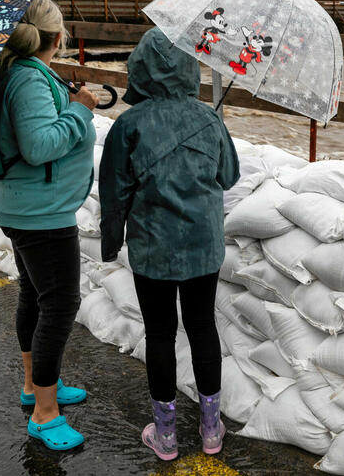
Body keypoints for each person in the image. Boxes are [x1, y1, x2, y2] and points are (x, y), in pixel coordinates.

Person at [99, 29, 239, 462]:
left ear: (139, 70)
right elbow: (228, 176)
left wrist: (111, 242)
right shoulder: (209, 118)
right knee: (202, 329)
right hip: (203, 246)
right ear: (186, 70)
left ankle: (166, 436)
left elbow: (114, 193)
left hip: (153, 248)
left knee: (159, 334)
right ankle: (211, 429)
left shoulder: (128, 125)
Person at [0, 0, 99, 451]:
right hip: (40, 214)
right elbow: (38, 146)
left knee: (34, 294)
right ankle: (45, 414)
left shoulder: (16, 70)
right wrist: (80, 111)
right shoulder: (28, 78)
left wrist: (68, 100)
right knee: (60, 304)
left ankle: (35, 387)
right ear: (56, 37)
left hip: (24, 205)